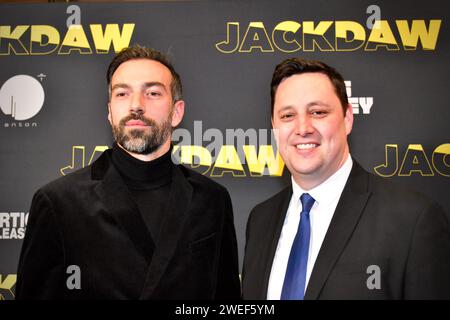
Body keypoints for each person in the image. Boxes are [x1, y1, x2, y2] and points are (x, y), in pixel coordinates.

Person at [16, 45, 241, 299]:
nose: (136, 105)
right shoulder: (58, 203)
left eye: (153, 93)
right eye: (122, 93)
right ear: (110, 111)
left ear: (177, 112)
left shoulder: (212, 200)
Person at [242, 58, 450, 299]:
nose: (302, 127)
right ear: (274, 126)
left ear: (348, 118)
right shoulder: (260, 220)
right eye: (287, 116)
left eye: (318, 112)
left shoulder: (413, 220)